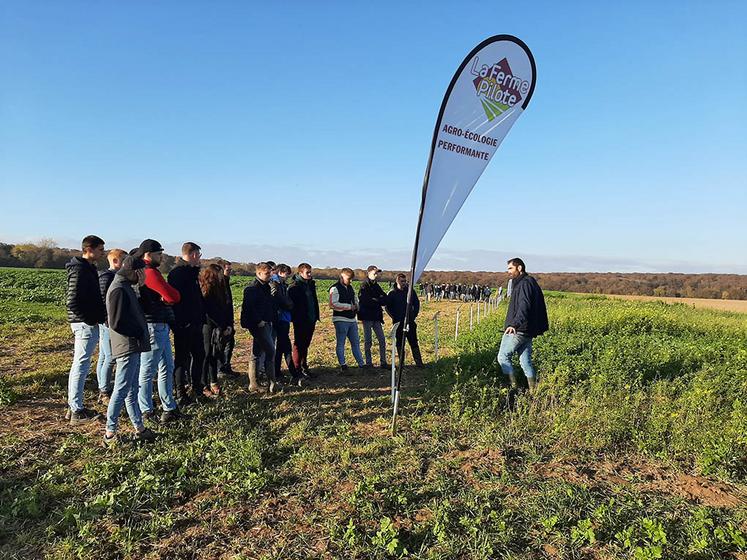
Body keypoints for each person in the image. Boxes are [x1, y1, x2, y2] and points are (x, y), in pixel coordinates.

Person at [103, 255, 157, 446]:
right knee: (121, 389)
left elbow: (147, 308)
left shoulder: (128, 287)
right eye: (141, 272)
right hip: (126, 345)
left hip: (133, 344)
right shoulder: (118, 289)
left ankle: (139, 428)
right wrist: (137, 333)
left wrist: (142, 286)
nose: (143, 275)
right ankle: (110, 432)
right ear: (133, 271)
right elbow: (116, 322)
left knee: (132, 389)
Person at [135, 239, 182, 422]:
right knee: (148, 369)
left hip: (159, 323)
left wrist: (168, 298)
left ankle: (168, 407)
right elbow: (173, 295)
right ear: (148, 254)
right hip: (153, 324)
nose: (161, 257)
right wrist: (167, 298)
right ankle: (145, 409)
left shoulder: (147, 271)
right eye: (158, 254)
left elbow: (170, 297)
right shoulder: (149, 273)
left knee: (166, 367)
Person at [65, 235, 107, 423]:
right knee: (80, 366)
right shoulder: (80, 271)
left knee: (81, 365)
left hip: (86, 323)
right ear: (89, 249)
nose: (102, 253)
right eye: (100, 249)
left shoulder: (88, 269)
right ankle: (76, 410)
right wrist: (89, 320)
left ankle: (73, 406)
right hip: (84, 325)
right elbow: (72, 301)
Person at [497, 258, 549, 391]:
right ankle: (534, 390)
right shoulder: (529, 282)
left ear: (519, 268)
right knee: (525, 362)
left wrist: (514, 324)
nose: (508, 271)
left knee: (503, 357)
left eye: (510, 268)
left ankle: (512, 388)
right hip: (527, 331)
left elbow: (524, 306)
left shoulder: (524, 284)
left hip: (518, 330)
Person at [167, 242, 206, 405]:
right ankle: (180, 392)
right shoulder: (178, 273)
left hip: (196, 322)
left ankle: (197, 388)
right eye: (199, 255)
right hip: (184, 323)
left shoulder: (192, 273)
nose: (200, 259)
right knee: (182, 359)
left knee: (199, 355)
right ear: (193, 254)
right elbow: (177, 300)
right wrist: (181, 322)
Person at [241, 262, 278, 392]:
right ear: (259, 273)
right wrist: (258, 321)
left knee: (256, 353)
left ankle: (254, 384)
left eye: (270, 273)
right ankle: (272, 383)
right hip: (258, 324)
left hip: (268, 322)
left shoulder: (267, 287)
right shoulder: (252, 289)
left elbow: (270, 305)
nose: (270, 275)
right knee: (270, 351)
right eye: (267, 273)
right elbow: (249, 307)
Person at [96, 248, 126, 405]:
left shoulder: (113, 276)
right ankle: (104, 391)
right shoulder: (107, 277)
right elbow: (104, 300)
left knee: (104, 356)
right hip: (109, 323)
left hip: (108, 322)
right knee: (110, 357)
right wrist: (107, 319)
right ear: (116, 261)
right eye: (124, 260)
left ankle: (102, 386)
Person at [200, 264, 233, 397]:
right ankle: (204, 384)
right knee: (206, 355)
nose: (222, 275)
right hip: (208, 326)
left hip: (219, 326)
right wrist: (221, 326)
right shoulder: (206, 289)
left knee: (214, 354)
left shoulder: (220, 287)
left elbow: (225, 307)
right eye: (220, 272)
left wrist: (227, 325)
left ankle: (214, 382)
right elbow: (209, 311)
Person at [329, 268, 365, 373]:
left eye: (351, 279)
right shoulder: (334, 289)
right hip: (340, 319)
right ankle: (343, 365)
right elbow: (333, 304)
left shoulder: (350, 288)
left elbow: (355, 298)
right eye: (349, 279)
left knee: (356, 342)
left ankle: (361, 364)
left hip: (351, 319)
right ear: (342, 277)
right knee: (341, 343)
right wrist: (349, 307)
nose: (350, 281)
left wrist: (357, 305)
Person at [287, 263, 320, 378]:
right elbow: (292, 305)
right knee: (299, 344)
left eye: (310, 272)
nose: (310, 274)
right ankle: (297, 368)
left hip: (311, 318)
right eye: (307, 272)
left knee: (306, 344)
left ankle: (304, 366)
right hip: (300, 320)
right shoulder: (294, 286)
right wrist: (297, 317)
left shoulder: (311, 284)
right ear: (300, 273)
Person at [386, 273, 424, 368]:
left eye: (405, 281)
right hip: (398, 323)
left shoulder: (410, 292)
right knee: (400, 343)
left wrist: (414, 315)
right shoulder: (392, 293)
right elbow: (387, 307)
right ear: (397, 281)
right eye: (402, 281)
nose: (404, 283)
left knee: (413, 341)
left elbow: (416, 303)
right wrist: (394, 317)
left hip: (410, 322)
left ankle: (419, 362)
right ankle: (401, 363)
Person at [271, 264, 299, 385]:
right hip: (280, 317)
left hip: (284, 317)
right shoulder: (275, 284)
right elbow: (279, 299)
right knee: (285, 346)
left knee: (281, 348)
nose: (287, 277)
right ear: (281, 273)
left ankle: (278, 372)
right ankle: (294, 373)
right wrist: (291, 305)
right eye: (287, 274)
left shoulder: (281, 284)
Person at [358, 265, 388, 370]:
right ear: (369, 273)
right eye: (374, 273)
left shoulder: (376, 286)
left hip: (376, 317)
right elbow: (365, 301)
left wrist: (377, 300)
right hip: (367, 316)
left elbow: (385, 299)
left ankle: (383, 362)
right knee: (368, 341)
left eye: (377, 273)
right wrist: (377, 300)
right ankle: (369, 363)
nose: (376, 275)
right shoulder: (364, 285)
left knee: (382, 340)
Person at [218, 259, 237, 376]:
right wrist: (225, 324)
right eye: (227, 269)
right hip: (223, 321)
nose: (229, 271)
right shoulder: (219, 284)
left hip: (229, 319)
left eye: (230, 269)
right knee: (221, 345)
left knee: (230, 344)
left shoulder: (226, 281)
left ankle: (226, 366)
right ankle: (221, 369)